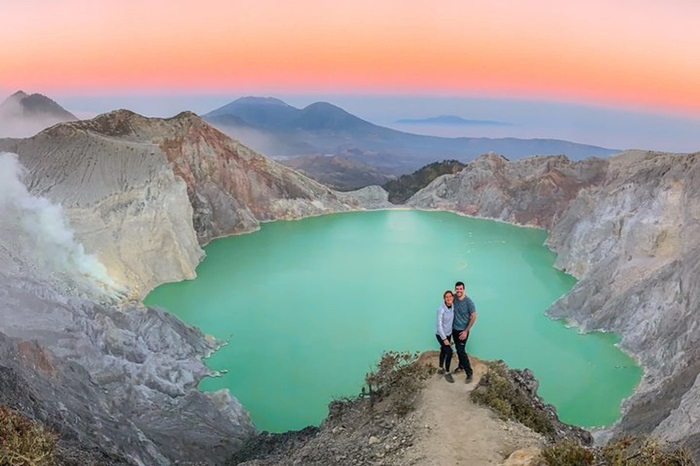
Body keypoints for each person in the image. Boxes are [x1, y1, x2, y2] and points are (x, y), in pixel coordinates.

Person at [452, 281, 477, 383]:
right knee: (458, 349)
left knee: (461, 351)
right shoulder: (454, 298)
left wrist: (466, 331)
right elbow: (447, 299)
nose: (459, 291)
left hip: (463, 331)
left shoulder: (468, 302)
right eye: (457, 289)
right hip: (454, 329)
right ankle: (461, 366)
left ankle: (469, 373)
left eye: (460, 289)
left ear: (464, 289)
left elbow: (474, 316)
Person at [435, 290, 455, 383]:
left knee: (443, 350)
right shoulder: (441, 309)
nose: (449, 298)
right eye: (447, 297)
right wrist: (444, 339)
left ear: (452, 298)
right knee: (449, 352)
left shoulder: (453, 306)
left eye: (450, 296)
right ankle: (447, 372)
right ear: (444, 298)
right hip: (441, 334)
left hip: (448, 333)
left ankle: (440, 368)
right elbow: (439, 326)